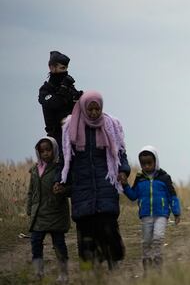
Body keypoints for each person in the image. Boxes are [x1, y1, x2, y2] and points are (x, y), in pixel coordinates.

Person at [56, 90, 130, 270]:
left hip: (106, 183)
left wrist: (123, 171)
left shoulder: (110, 125)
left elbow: (120, 153)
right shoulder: (70, 128)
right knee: (86, 227)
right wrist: (60, 180)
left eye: (97, 109)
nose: (94, 113)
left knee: (108, 225)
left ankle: (114, 262)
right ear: (83, 108)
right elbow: (66, 158)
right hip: (82, 186)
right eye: (91, 109)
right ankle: (91, 270)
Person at [121, 146, 181, 275]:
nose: (146, 166)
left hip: (162, 214)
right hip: (145, 215)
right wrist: (125, 185)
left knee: (158, 238)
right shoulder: (140, 178)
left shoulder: (164, 177)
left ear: (156, 161)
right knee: (147, 241)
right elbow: (133, 196)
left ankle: (158, 268)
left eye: (149, 163)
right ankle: (147, 270)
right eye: (143, 164)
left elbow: (172, 196)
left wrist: (176, 212)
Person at [26, 137, 70, 282]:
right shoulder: (34, 169)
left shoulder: (60, 168)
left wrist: (62, 189)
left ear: (55, 150)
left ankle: (63, 274)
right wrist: (29, 209)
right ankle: (38, 272)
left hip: (56, 212)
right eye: (42, 151)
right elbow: (31, 191)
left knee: (58, 243)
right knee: (36, 242)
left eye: (48, 150)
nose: (45, 153)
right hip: (38, 213)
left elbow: (70, 188)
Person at [38, 51, 83, 150]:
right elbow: (55, 104)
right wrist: (64, 89)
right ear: (51, 68)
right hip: (56, 137)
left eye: (66, 68)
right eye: (62, 68)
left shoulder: (70, 87)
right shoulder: (45, 90)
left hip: (74, 135)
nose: (65, 71)